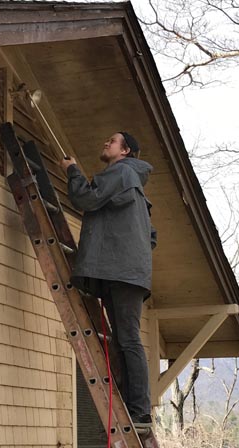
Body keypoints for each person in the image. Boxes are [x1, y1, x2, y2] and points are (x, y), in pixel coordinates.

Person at [60, 132, 156, 426]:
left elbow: (85, 197)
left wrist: (72, 170)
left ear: (125, 150)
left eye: (112, 141)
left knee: (127, 340)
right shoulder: (136, 186)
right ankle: (132, 405)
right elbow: (150, 238)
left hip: (122, 274)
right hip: (125, 273)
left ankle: (139, 410)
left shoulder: (121, 172)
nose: (105, 143)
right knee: (122, 340)